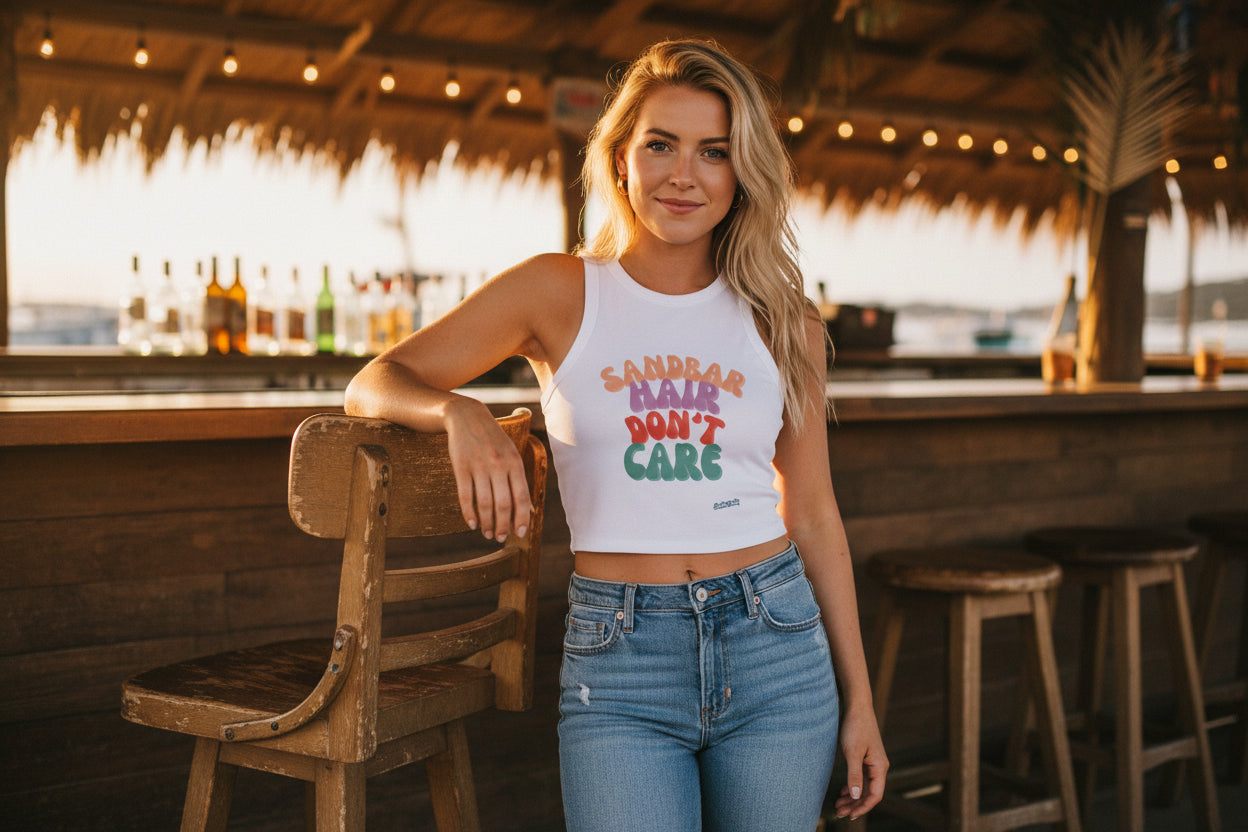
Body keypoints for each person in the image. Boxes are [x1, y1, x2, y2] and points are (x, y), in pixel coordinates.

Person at [345, 38, 887, 831]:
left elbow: (811, 514)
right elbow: (375, 382)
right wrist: (458, 412)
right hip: (621, 656)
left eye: (714, 152)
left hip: (776, 642)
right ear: (621, 158)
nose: (683, 174)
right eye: (660, 144)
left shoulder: (786, 322)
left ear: (742, 177)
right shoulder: (557, 291)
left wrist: (860, 702)